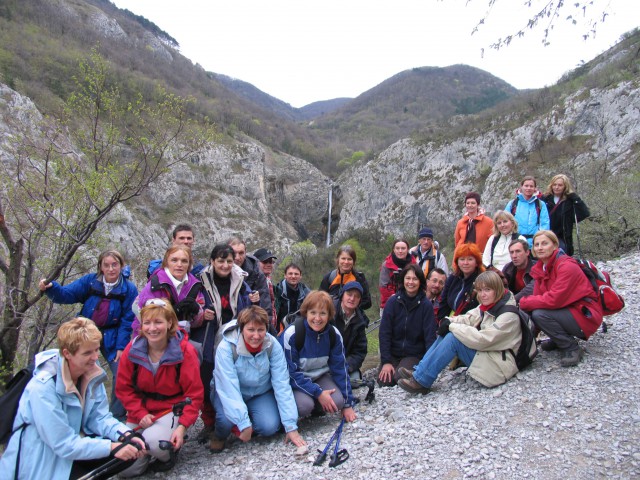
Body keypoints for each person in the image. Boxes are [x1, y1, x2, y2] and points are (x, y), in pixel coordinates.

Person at [0, 318, 145, 480]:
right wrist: (111, 447)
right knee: (118, 450)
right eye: (87, 353)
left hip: (73, 447)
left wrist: (125, 435)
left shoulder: (90, 374)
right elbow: (63, 444)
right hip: (41, 462)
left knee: (131, 447)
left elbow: (99, 418)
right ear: (67, 353)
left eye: (96, 350)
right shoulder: (42, 388)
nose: (95, 357)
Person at [39, 249, 138, 420]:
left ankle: (116, 418)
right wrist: (51, 287)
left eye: (115, 265)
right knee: (72, 369)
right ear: (100, 267)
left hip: (112, 334)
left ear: (121, 266)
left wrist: (121, 347)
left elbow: (127, 321)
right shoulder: (90, 282)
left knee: (122, 370)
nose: (111, 269)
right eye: (106, 265)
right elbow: (66, 295)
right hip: (87, 331)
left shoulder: (128, 289)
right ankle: (71, 414)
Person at [397, 271, 523, 394]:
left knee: (454, 337)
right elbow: (469, 318)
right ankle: (420, 371)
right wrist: (449, 321)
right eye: (479, 290)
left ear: (497, 289)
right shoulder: (491, 303)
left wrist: (452, 326)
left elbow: (483, 340)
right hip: (491, 355)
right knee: (448, 330)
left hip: (499, 367)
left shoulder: (508, 315)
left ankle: (421, 381)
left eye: (487, 290)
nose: (482, 295)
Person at [116, 301, 204, 476]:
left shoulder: (184, 351)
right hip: (141, 411)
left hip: (170, 409)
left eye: (158, 322)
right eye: (147, 323)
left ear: (170, 323)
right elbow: (123, 388)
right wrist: (140, 413)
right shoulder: (133, 350)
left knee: (154, 443)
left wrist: (183, 426)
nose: (152, 328)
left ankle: (166, 454)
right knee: (126, 468)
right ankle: (144, 453)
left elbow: (194, 394)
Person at [210, 306, 306, 453]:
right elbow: (228, 387)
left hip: (259, 392)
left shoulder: (272, 345)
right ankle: (219, 435)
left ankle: (250, 421)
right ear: (242, 329)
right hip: (230, 391)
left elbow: (281, 384)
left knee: (269, 426)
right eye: (251, 330)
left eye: (261, 330)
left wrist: (291, 427)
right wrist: (242, 423)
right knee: (225, 421)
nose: (256, 335)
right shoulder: (226, 347)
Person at [190, 243, 253, 439]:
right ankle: (210, 422)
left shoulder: (240, 279)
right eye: (221, 261)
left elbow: (248, 302)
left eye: (229, 261)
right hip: (209, 336)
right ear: (212, 261)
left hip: (233, 336)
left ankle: (235, 419)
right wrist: (200, 313)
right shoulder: (200, 281)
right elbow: (191, 305)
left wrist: (252, 301)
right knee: (206, 377)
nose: (225, 265)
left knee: (232, 377)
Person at [519, 230, 603, 367]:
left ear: (555, 246)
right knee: (533, 309)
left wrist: (524, 302)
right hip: (568, 310)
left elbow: (554, 300)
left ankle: (571, 347)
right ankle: (558, 338)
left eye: (545, 243)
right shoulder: (542, 267)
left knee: (540, 313)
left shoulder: (566, 266)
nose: (540, 247)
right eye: (536, 244)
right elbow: (537, 297)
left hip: (585, 314)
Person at [279, 291, 357, 423]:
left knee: (338, 402)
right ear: (306, 313)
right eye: (313, 313)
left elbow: (340, 370)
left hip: (320, 377)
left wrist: (348, 404)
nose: (317, 318)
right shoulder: (292, 334)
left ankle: (317, 403)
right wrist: (319, 393)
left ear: (329, 315)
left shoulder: (334, 334)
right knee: (304, 406)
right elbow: (290, 373)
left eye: (323, 313)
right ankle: (311, 402)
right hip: (297, 380)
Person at [378, 264, 437, 387]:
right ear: (403, 280)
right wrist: (386, 361)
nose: (411, 282)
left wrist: (428, 365)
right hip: (394, 353)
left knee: (400, 377)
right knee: (385, 381)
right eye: (408, 278)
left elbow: (430, 336)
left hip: (414, 354)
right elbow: (384, 333)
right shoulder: (393, 302)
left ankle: (415, 374)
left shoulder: (426, 306)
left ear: (420, 282)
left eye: (415, 279)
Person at [133, 245, 205, 337]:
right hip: (153, 339)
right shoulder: (155, 285)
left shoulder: (195, 285)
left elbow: (198, 322)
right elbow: (145, 321)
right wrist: (174, 312)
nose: (179, 265)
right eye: (174, 260)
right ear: (166, 262)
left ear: (189, 264)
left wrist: (197, 311)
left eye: (184, 261)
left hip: (183, 338)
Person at [541, 174, 590, 256]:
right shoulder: (544, 199)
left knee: (560, 257)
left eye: (560, 185)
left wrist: (575, 198)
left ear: (565, 186)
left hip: (563, 237)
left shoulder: (569, 201)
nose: (557, 187)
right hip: (546, 234)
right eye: (554, 184)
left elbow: (584, 213)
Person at [228, 237, 273, 324]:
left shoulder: (257, 274)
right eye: (233, 253)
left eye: (241, 253)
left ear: (245, 253)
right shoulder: (218, 272)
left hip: (250, 324)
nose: (237, 257)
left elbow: (265, 308)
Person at [437, 243, 486, 323]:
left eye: (470, 259)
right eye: (462, 259)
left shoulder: (482, 281)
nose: (465, 263)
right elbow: (443, 303)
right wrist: (441, 321)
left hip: (471, 324)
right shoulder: (452, 279)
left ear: (477, 262)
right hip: (451, 322)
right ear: (457, 262)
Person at [331, 281, 368, 381]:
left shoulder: (360, 321)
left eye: (356, 296)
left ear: (360, 300)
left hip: (345, 365)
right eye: (349, 294)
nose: (352, 299)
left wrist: (345, 366)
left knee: (354, 381)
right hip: (324, 363)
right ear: (342, 295)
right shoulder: (328, 312)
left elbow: (360, 352)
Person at [319, 244, 372, 310]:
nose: (346, 262)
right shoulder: (329, 278)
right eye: (343, 258)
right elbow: (320, 300)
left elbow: (367, 302)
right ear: (338, 260)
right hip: (332, 318)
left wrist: (351, 306)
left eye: (349, 259)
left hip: (353, 318)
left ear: (354, 262)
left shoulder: (359, 279)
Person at [505, 176, 550, 247]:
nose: (528, 188)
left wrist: (541, 241)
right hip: (516, 242)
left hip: (535, 244)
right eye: (526, 186)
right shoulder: (512, 204)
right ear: (521, 187)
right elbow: (505, 222)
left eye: (531, 186)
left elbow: (545, 224)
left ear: (535, 188)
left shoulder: (540, 204)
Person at [379, 239, 416, 316]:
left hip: (411, 304)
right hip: (389, 303)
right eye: (397, 248)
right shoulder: (386, 265)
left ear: (407, 249)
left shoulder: (414, 264)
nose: (400, 251)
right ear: (393, 250)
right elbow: (384, 287)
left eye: (403, 248)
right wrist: (397, 299)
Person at [274, 263, 311, 332]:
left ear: (300, 276)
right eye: (290, 274)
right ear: (285, 275)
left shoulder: (306, 292)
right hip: (280, 330)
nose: (293, 276)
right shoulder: (277, 292)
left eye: (296, 274)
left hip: (300, 329)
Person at [254, 247, 278, 325]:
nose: (268, 264)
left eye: (270, 262)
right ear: (256, 263)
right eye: (265, 262)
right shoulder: (253, 282)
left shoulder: (268, 281)